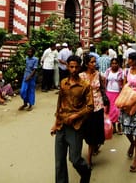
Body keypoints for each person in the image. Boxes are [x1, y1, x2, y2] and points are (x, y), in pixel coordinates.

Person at [51, 55, 93, 183]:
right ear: (67, 67)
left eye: (76, 67)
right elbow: (60, 104)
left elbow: (90, 106)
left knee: (75, 159)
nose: (73, 69)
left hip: (75, 127)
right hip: (61, 125)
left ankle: (86, 171)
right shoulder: (63, 83)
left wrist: (77, 115)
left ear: (80, 67)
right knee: (59, 162)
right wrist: (55, 123)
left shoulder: (85, 86)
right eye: (71, 67)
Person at [79, 54, 105, 167]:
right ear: (86, 64)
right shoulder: (81, 76)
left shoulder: (98, 75)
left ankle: (89, 158)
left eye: (95, 62)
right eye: (92, 62)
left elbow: (102, 88)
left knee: (96, 131)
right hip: (86, 108)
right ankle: (91, 150)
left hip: (98, 106)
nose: (94, 64)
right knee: (87, 132)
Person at [105, 58, 123, 134]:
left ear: (118, 64)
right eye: (113, 63)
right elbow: (105, 81)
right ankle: (113, 127)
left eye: (116, 63)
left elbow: (124, 82)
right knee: (110, 111)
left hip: (118, 93)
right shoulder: (108, 71)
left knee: (118, 111)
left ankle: (119, 126)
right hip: (109, 93)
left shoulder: (121, 72)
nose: (114, 65)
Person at [18, 47, 38, 111]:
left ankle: (30, 105)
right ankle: (25, 103)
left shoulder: (36, 59)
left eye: (30, 52)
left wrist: (29, 77)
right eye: (28, 51)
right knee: (23, 91)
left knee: (31, 91)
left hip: (31, 77)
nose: (28, 53)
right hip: (25, 76)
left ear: (33, 53)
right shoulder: (26, 58)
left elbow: (34, 70)